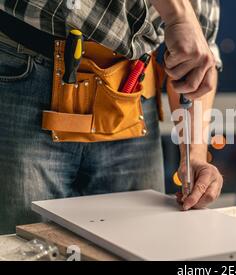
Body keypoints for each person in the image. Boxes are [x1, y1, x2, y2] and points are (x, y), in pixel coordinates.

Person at [0, 0, 223, 234]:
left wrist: (195, 155)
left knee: (144, 245)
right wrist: (179, 15)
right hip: (27, 74)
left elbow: (198, 52)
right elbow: (186, 25)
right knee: (26, 248)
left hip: (132, 95)